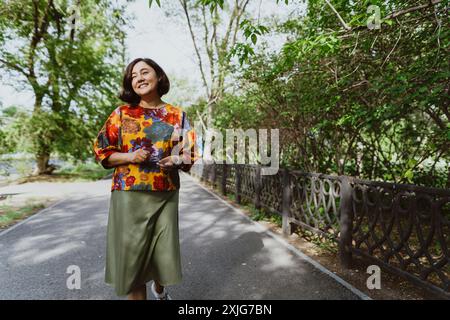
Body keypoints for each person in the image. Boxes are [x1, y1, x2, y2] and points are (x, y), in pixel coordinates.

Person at [93, 58, 198, 300]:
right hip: (128, 195)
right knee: (133, 264)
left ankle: (160, 289)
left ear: (157, 76)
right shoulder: (122, 114)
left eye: (144, 72)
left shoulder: (176, 115)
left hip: (165, 193)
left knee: (163, 255)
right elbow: (102, 149)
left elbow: (190, 152)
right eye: (133, 75)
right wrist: (130, 155)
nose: (139, 78)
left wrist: (175, 160)